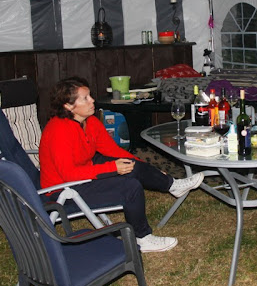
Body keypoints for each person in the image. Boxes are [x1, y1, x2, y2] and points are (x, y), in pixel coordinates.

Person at [39, 76, 204, 252]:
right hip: (63, 190)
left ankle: (171, 185)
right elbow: (69, 174)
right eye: (85, 98)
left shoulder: (90, 122)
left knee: (128, 164)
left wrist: (149, 170)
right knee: (130, 187)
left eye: (90, 96)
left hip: (83, 171)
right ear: (68, 106)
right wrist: (112, 168)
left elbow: (113, 150)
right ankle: (142, 238)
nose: (92, 100)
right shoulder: (59, 131)